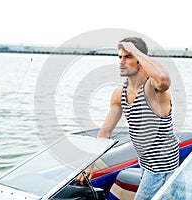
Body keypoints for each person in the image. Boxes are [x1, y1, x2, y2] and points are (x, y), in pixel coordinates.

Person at [76, 37, 180, 199]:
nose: (121, 62)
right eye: (120, 57)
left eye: (128, 56)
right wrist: (91, 164)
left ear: (140, 60)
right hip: (145, 163)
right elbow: (105, 132)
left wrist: (136, 51)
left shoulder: (154, 88)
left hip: (162, 166)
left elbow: (163, 80)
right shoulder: (119, 93)